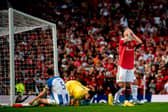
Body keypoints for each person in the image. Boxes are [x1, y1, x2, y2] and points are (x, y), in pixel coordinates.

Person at [113, 26, 142, 106]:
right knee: (122, 85)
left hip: (130, 66)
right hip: (122, 66)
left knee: (129, 84)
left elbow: (140, 42)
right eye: (128, 31)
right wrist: (130, 35)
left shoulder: (132, 42)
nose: (130, 32)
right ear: (124, 33)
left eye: (130, 31)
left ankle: (127, 101)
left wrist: (133, 34)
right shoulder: (122, 40)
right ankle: (115, 100)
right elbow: (127, 40)